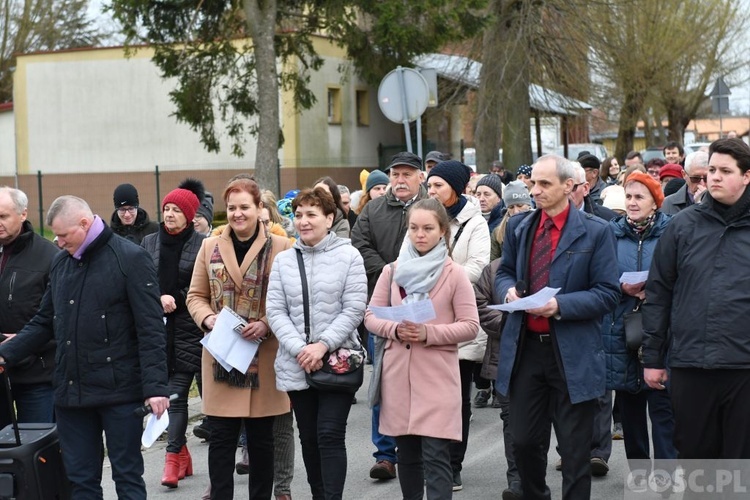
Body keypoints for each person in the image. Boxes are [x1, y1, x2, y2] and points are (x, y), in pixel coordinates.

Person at [0, 195, 170, 498]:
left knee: (127, 475)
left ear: (84, 223)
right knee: (79, 479)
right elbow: (44, 322)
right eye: (55, 235)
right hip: (72, 392)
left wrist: (156, 387)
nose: (58, 241)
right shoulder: (61, 263)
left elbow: (151, 328)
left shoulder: (130, 258)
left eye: (63, 235)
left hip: (119, 393)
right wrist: (5, 354)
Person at [495, 154, 620, 499]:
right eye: (533, 183)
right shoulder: (521, 228)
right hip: (526, 350)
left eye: (544, 184)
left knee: (575, 450)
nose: (535, 190)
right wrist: (506, 289)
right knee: (523, 442)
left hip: (572, 352)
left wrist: (559, 306)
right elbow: (504, 270)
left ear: (569, 186)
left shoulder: (596, 232)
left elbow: (608, 293)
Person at [365, 198, 479, 500]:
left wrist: (429, 332)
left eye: (428, 228)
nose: (420, 234)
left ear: (442, 231)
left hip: (437, 376)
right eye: (414, 228)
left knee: (436, 456)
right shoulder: (392, 271)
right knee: (407, 455)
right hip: (398, 375)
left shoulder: (454, 274)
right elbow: (371, 316)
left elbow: (470, 325)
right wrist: (394, 328)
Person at [642, 138, 750, 459]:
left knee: (739, 465)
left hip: (743, 368)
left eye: (725, 171)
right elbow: (659, 293)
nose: (714, 177)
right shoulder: (682, 226)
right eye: (711, 170)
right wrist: (653, 359)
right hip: (690, 365)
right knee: (697, 462)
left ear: (746, 176)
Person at [187, 178, 291, 499]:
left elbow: (290, 300)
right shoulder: (210, 246)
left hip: (265, 355)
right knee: (221, 441)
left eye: (245, 207)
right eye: (231, 208)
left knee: (261, 442)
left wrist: (265, 323)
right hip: (222, 355)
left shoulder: (282, 247)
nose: (237, 214)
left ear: (260, 209)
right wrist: (208, 318)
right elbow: (195, 296)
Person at [267, 187, 367, 500]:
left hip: (337, 359)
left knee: (329, 433)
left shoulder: (349, 255)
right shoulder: (283, 262)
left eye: (312, 214)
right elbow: (275, 310)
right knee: (309, 437)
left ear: (329, 218)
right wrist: (300, 349)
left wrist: (321, 346)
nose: (304, 221)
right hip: (297, 362)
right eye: (298, 215)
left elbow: (354, 308)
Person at [351, 151, 428, 481]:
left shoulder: (431, 208)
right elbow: (359, 243)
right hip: (382, 305)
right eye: (395, 174)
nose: (399, 180)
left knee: (422, 383)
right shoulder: (373, 208)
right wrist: (387, 272)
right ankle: (385, 454)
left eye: (407, 174)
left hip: (424, 308)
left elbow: (441, 246)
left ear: (420, 177)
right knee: (383, 379)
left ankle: (423, 450)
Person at [602, 172, 677, 487]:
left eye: (639, 197)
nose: (632, 203)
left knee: (662, 406)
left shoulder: (672, 231)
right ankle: (639, 472)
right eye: (628, 197)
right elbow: (599, 277)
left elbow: (683, 274)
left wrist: (654, 287)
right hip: (621, 329)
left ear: (655, 202)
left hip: (661, 330)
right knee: (630, 408)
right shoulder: (610, 234)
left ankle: (665, 474)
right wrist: (622, 285)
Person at [425, 160, 490, 490]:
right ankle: (433, 459)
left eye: (437, 185)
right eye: (430, 186)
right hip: (425, 318)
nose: (431, 191)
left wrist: (436, 275)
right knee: (432, 396)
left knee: (456, 397)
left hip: (459, 317)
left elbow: (478, 266)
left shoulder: (475, 223)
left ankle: (453, 463)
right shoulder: (424, 217)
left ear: (456, 187)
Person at [141, 179, 206, 489]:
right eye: (166, 209)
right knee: (172, 395)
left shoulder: (203, 245)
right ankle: (177, 456)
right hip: (159, 330)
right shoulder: (149, 243)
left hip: (193, 328)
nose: (169, 215)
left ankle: (175, 457)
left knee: (189, 396)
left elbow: (204, 286)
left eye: (176, 210)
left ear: (190, 215)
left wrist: (177, 299)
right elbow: (142, 282)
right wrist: (156, 299)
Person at [0, 187, 59, 429]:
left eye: (3, 216)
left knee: (37, 447)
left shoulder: (49, 256)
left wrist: (23, 343)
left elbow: (60, 316)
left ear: (23, 214)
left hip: (37, 374)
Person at [491, 180, 532, 261]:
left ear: (528, 205)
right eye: (511, 207)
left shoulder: (539, 225)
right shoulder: (498, 232)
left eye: (520, 205)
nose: (516, 211)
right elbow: (492, 264)